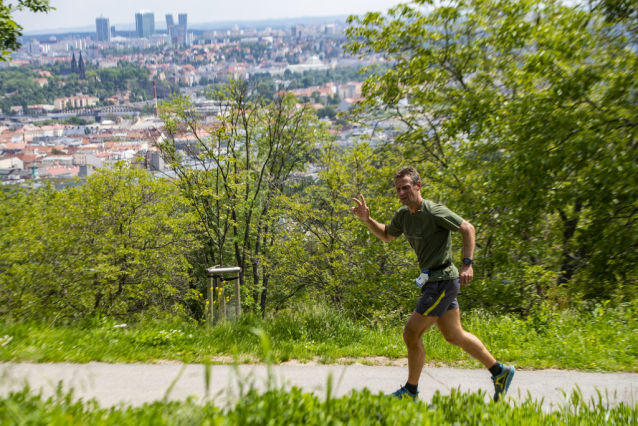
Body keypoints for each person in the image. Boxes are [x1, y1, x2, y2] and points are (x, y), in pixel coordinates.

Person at [350, 166, 514, 402]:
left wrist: (468, 263)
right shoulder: (404, 216)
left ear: (418, 186)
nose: (402, 192)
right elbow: (386, 234)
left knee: (411, 333)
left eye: (406, 187)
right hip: (434, 282)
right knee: (454, 335)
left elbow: (468, 228)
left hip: (442, 281)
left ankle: (410, 391)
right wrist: (367, 220)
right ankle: (500, 372)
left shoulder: (434, 211)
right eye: (398, 189)